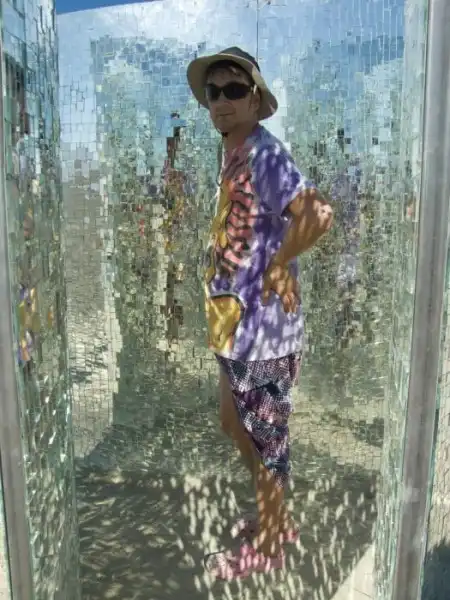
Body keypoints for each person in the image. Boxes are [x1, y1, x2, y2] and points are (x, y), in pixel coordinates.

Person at [186, 47, 333, 579]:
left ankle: (270, 547)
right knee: (235, 424)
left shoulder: (265, 154)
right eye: (213, 92)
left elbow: (318, 212)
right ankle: (277, 518)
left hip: (264, 336)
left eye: (234, 90)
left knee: (265, 445)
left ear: (254, 99)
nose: (221, 101)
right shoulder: (236, 152)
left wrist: (280, 263)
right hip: (236, 330)